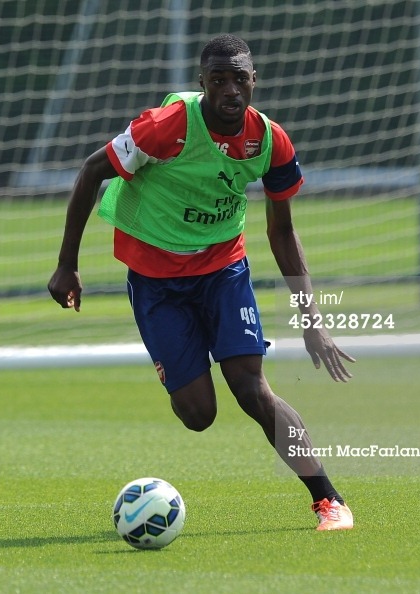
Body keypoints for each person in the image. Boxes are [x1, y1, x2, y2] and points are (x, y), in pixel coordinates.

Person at [48, 34, 355, 531]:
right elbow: (91, 171)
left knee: (251, 388)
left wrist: (311, 318)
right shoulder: (164, 127)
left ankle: (329, 501)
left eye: (239, 79)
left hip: (222, 271)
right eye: (218, 80)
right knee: (198, 414)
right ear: (202, 84)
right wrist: (67, 264)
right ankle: (178, 358)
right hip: (156, 280)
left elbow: (282, 231)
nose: (230, 90)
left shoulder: (270, 141)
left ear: (254, 81)